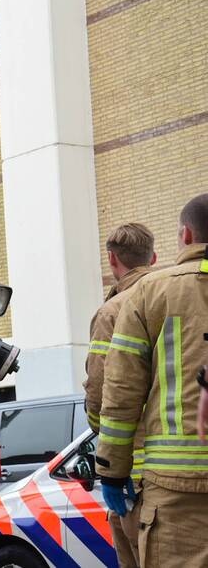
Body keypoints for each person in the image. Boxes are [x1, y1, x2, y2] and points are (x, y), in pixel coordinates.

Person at [96, 193, 208, 567]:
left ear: (186, 235)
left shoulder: (149, 294)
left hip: (177, 489)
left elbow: (118, 392)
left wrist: (112, 470)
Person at [84, 223, 155, 567]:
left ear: (112, 259)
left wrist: (107, 449)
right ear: (152, 258)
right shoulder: (175, 296)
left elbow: (100, 392)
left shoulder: (113, 312)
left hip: (133, 474)